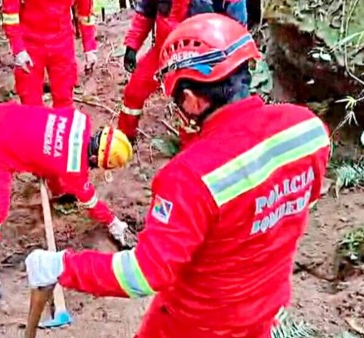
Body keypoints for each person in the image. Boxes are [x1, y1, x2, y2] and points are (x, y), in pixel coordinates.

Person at [24, 14, 331, 337]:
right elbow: (299, 198)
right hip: (263, 312)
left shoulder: (189, 177)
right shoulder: (307, 130)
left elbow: (143, 273)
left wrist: (61, 266)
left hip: (194, 325)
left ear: (191, 100)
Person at [0, 100, 134, 301]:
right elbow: (91, 204)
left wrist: (57, 187)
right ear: (95, 161)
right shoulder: (75, 169)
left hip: (1, 113)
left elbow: (54, 147)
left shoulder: (78, 119)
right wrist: (113, 223)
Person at [118, 0, 248, 143]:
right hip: (164, 52)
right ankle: (125, 136)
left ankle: (192, 147)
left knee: (192, 109)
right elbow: (146, 13)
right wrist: (132, 45)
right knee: (134, 91)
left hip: (200, 58)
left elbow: (236, 31)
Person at [2, 0, 98, 108]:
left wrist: (90, 48)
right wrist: (18, 49)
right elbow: (10, 13)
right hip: (29, 44)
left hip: (63, 43)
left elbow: (85, 12)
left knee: (64, 97)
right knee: (30, 102)